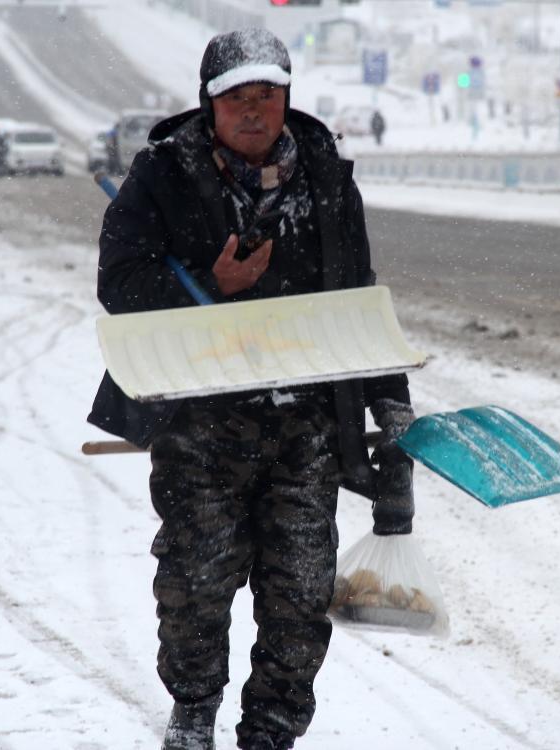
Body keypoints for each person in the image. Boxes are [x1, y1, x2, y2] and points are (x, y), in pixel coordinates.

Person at [87, 28, 415, 750]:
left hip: (306, 428)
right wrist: (210, 285)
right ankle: (193, 712)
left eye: (267, 93)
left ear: (286, 98)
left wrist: (390, 406)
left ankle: (271, 733)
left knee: (300, 597)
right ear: (209, 103)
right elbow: (120, 285)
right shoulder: (162, 175)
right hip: (200, 423)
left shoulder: (326, 176)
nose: (253, 109)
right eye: (237, 95)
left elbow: (357, 301)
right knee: (196, 585)